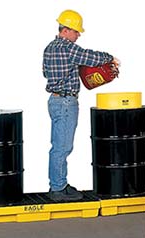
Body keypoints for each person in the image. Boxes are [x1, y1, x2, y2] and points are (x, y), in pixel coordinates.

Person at [43, 9, 120, 201]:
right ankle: (58, 189)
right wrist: (110, 58)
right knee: (63, 146)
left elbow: (45, 73)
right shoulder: (68, 47)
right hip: (67, 101)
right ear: (66, 30)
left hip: (54, 100)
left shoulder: (49, 48)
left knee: (58, 144)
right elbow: (91, 57)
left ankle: (59, 183)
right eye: (77, 31)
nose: (78, 35)